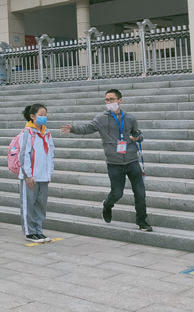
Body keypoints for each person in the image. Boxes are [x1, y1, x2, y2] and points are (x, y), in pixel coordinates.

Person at [62, 89, 152, 231]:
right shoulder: (101, 118)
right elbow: (87, 128)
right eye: (107, 100)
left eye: (112, 99)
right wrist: (73, 129)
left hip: (132, 160)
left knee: (140, 193)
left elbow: (138, 134)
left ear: (120, 100)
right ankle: (107, 205)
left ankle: (142, 220)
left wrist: (138, 138)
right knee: (117, 193)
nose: (109, 102)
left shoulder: (130, 118)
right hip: (114, 163)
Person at [19, 104, 54, 242]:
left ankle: (38, 230)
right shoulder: (28, 132)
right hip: (31, 177)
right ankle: (30, 232)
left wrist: (49, 173)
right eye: (41, 115)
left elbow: (51, 154)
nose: (44, 117)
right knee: (28, 204)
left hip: (43, 176)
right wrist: (27, 175)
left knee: (40, 205)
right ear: (32, 116)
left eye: (45, 114)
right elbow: (24, 155)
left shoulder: (47, 133)